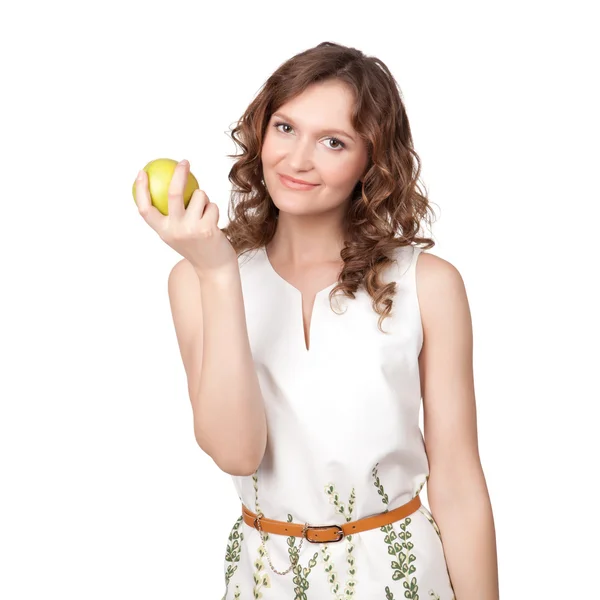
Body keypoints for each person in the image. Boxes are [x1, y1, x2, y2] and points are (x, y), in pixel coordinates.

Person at [136, 42, 499, 599]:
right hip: (266, 578)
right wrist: (217, 274)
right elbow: (236, 451)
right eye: (285, 128)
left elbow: (457, 482)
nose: (297, 159)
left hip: (400, 578)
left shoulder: (429, 284)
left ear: (371, 161)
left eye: (333, 141)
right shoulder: (195, 279)